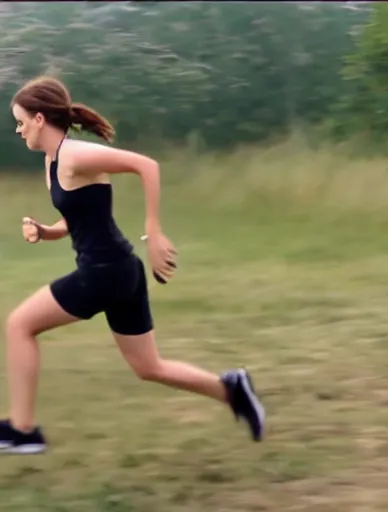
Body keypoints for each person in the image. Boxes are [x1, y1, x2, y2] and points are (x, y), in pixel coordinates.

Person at [0, 76, 265, 454]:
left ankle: (23, 430)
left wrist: (154, 231)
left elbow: (147, 165)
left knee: (19, 325)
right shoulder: (52, 163)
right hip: (120, 271)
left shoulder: (75, 155)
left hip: (104, 273)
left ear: (40, 119)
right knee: (149, 367)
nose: (18, 128)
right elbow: (77, 221)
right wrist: (46, 232)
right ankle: (231, 389)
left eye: (21, 120)